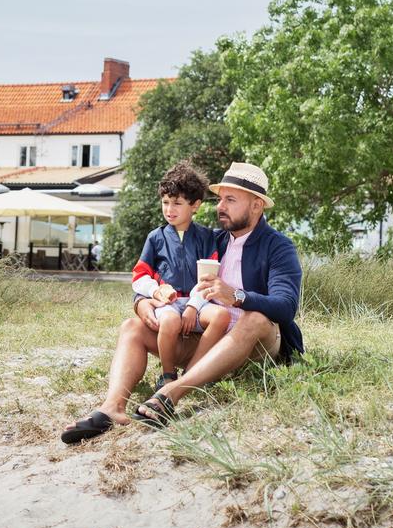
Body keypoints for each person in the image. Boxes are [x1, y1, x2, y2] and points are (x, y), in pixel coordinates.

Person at [61, 162, 303, 443]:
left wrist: (237, 297)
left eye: (230, 200)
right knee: (132, 327)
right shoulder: (212, 240)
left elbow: (286, 307)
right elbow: (157, 277)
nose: (220, 206)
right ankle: (112, 408)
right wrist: (143, 302)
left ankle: (171, 393)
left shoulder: (278, 246)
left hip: (255, 344)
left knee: (255, 318)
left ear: (257, 205)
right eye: (220, 199)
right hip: (206, 341)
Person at [128, 162, 231, 392]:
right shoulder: (155, 238)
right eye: (165, 202)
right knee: (170, 320)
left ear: (195, 205)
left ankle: (193, 373)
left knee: (221, 316)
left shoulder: (206, 237)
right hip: (169, 303)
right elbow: (139, 275)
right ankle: (167, 374)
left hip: (199, 302)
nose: (169, 209)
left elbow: (208, 279)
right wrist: (156, 291)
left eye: (177, 203)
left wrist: (194, 306)